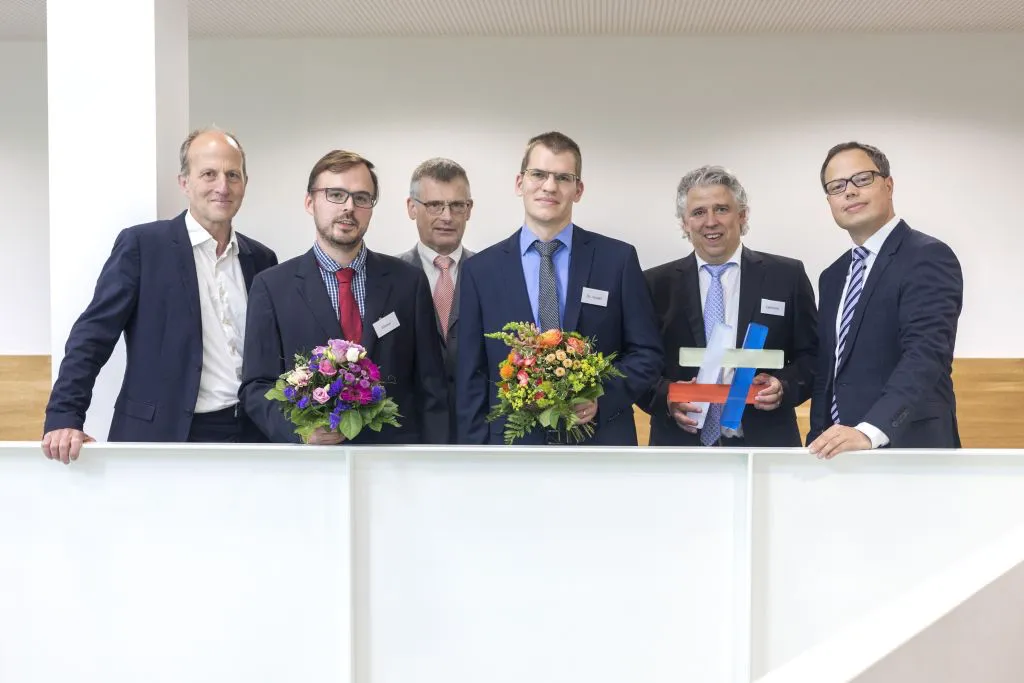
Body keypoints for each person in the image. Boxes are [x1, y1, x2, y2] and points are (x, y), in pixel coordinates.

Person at [41, 128, 278, 463]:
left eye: (233, 175)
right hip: (165, 434)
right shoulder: (143, 246)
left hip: (251, 436)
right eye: (208, 174)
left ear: (245, 183)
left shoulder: (262, 260)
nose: (222, 186)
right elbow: (92, 337)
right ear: (185, 182)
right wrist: (65, 415)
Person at [456, 131, 662, 445]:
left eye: (563, 178)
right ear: (520, 183)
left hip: (601, 442)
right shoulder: (480, 271)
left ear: (578, 190)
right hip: (512, 449)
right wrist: (475, 456)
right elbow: (471, 376)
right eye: (538, 174)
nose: (550, 186)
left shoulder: (617, 261)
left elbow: (646, 354)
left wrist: (601, 398)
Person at [240, 149, 448, 445]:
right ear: (310, 202)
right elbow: (256, 387)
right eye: (336, 195)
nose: (349, 207)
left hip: (395, 458)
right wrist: (301, 432)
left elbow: (432, 387)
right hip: (312, 461)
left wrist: (433, 461)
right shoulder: (272, 287)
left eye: (361, 198)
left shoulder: (408, 282)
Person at [642, 165, 818, 447]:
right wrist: (667, 397)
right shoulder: (654, 284)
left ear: (742, 215)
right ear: (685, 223)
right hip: (679, 445)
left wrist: (783, 387)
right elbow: (639, 361)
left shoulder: (787, 276)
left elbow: (813, 356)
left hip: (765, 443)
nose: (711, 221)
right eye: (698, 212)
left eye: (721, 209)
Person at [808, 142, 963, 458]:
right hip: (837, 452)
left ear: (888, 185)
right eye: (837, 186)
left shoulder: (927, 256)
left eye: (862, 179)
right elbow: (829, 371)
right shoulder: (832, 276)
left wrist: (870, 431)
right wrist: (817, 436)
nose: (850, 192)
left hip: (908, 448)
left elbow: (926, 353)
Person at [397, 158, 475, 442]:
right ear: (411, 207)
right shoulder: (389, 279)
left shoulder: (491, 275)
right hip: (409, 436)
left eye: (457, 205)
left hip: (476, 434)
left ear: (469, 209)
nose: (447, 216)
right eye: (434, 205)